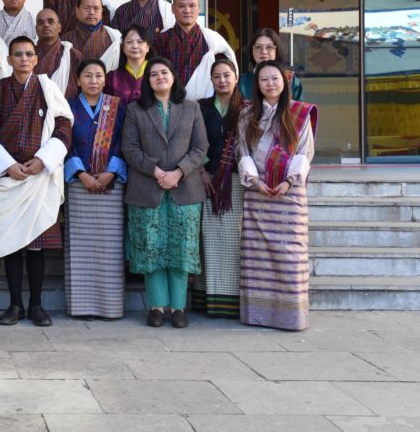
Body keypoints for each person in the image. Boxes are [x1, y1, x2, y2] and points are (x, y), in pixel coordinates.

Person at [0, 36, 73, 327]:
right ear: (8, 60)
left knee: (36, 246)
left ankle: (36, 304)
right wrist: (7, 165)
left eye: (29, 54)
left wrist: (43, 160)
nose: (23, 59)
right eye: (17, 54)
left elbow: (63, 126)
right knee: (10, 243)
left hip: (38, 176)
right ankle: (14, 304)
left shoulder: (48, 88)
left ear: (36, 59)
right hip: (9, 178)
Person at [121, 57, 208, 329]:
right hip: (148, 188)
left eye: (164, 72)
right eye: (154, 74)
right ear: (147, 81)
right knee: (151, 249)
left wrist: (179, 172)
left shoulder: (191, 108)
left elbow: (200, 147)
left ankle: (179, 308)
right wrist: (158, 172)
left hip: (185, 190)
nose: (159, 77)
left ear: (173, 76)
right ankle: (157, 307)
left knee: (181, 250)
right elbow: (130, 148)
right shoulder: (136, 110)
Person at [236, 61, 317, 331]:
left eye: (275, 78)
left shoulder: (299, 114)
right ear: (256, 85)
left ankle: (290, 317)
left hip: (289, 195)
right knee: (258, 258)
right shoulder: (247, 115)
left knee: (289, 255)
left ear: (284, 82)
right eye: (264, 80)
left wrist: (289, 182)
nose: (270, 83)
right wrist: (255, 181)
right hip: (257, 193)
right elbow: (242, 150)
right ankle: (258, 314)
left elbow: (304, 152)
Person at [63, 59, 128, 319]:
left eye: (98, 75)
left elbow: (124, 139)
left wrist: (111, 171)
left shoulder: (117, 107)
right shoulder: (68, 107)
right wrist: (81, 173)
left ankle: (109, 306)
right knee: (79, 249)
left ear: (105, 79)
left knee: (109, 250)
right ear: (78, 80)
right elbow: (64, 141)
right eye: (87, 76)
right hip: (80, 186)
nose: (93, 80)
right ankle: (80, 306)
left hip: (109, 186)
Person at [191, 57, 248, 319]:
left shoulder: (247, 109)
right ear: (211, 80)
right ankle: (209, 299)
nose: (222, 80)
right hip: (207, 179)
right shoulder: (201, 108)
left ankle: (234, 299)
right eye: (217, 76)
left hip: (236, 183)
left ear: (236, 78)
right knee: (208, 239)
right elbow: (196, 142)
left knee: (233, 240)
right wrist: (202, 170)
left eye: (227, 75)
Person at [153, 0, 237, 100]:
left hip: (205, 107)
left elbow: (225, 75)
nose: (187, 10)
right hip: (170, 104)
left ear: (199, 8)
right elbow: (154, 74)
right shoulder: (161, 40)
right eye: (181, 6)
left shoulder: (212, 40)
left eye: (192, 6)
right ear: (173, 9)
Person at [238, 28, 304, 101]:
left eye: (269, 47)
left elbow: (299, 110)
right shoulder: (243, 81)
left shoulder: (290, 80)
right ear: (252, 51)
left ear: (276, 51)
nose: (264, 52)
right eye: (258, 47)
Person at [62, 0, 122, 70]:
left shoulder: (114, 38)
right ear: (77, 11)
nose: (91, 12)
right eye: (87, 8)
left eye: (96, 8)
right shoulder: (65, 39)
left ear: (102, 12)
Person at [33, 8, 83, 99]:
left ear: (59, 27)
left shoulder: (74, 55)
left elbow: (83, 88)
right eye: (41, 23)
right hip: (34, 109)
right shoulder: (29, 55)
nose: (46, 25)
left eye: (50, 22)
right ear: (36, 29)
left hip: (67, 109)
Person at [106, 24, 152, 105]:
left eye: (140, 42)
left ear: (147, 47)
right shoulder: (112, 78)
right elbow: (108, 110)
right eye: (129, 42)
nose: (135, 46)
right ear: (123, 48)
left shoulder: (157, 74)